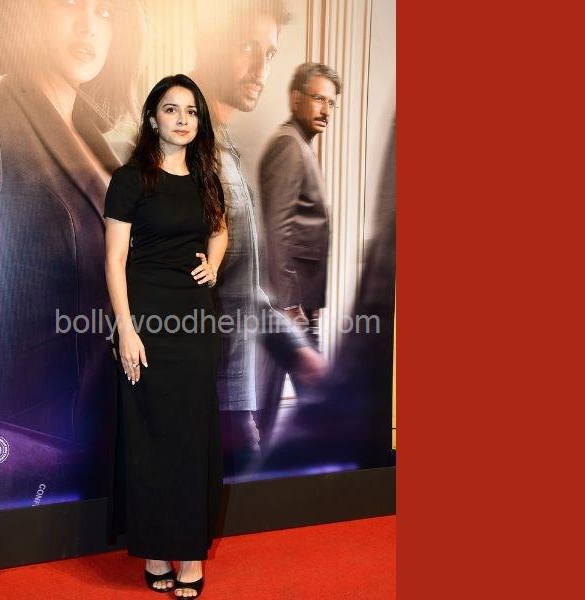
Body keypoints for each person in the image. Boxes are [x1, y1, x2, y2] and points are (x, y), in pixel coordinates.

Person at [0, 0, 143, 507]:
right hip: (30, 436)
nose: (88, 26)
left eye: (105, 12)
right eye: (69, 4)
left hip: (98, 423)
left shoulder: (95, 138)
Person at [103, 74, 227, 599]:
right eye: (172, 109)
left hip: (195, 324)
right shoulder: (131, 179)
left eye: (191, 111)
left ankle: (191, 555)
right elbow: (114, 260)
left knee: (192, 438)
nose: (182, 119)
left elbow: (220, 230)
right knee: (150, 437)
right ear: (153, 118)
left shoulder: (205, 179)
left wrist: (213, 265)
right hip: (146, 323)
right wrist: (126, 330)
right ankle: (155, 551)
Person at [190, 0, 325, 464]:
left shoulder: (220, 146)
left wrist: (298, 353)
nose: (260, 69)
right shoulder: (182, 145)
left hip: (232, 402)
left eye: (269, 54)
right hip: (209, 410)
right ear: (210, 40)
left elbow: (239, 286)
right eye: (247, 46)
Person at [258, 62, 342, 403]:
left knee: (299, 395)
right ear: (296, 99)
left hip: (304, 303)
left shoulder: (300, 144)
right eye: (318, 99)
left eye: (331, 102)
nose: (326, 110)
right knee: (309, 395)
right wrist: (290, 304)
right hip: (292, 306)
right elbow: (277, 229)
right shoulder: (289, 146)